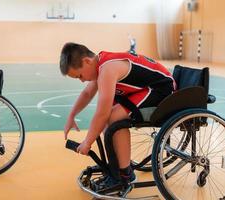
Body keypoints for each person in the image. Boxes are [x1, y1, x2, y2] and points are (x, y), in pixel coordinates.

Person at [60, 42, 176, 187]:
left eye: (80, 76)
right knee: (109, 118)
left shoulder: (107, 69)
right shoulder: (100, 64)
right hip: (146, 88)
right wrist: (71, 116)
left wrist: (87, 142)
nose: (82, 80)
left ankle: (125, 174)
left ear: (87, 61)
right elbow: (87, 93)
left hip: (161, 89)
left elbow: (102, 113)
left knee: (113, 118)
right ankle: (118, 167)